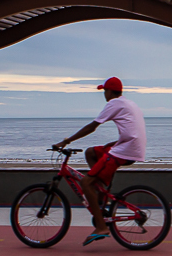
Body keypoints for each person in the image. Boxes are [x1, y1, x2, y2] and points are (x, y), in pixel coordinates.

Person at [54, 77, 146, 245]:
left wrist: (66, 141)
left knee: (86, 183)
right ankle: (102, 195)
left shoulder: (114, 103)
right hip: (131, 146)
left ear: (110, 91)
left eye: (104, 91)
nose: (104, 94)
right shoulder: (128, 102)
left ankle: (101, 227)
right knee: (91, 152)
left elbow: (92, 126)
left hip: (125, 150)